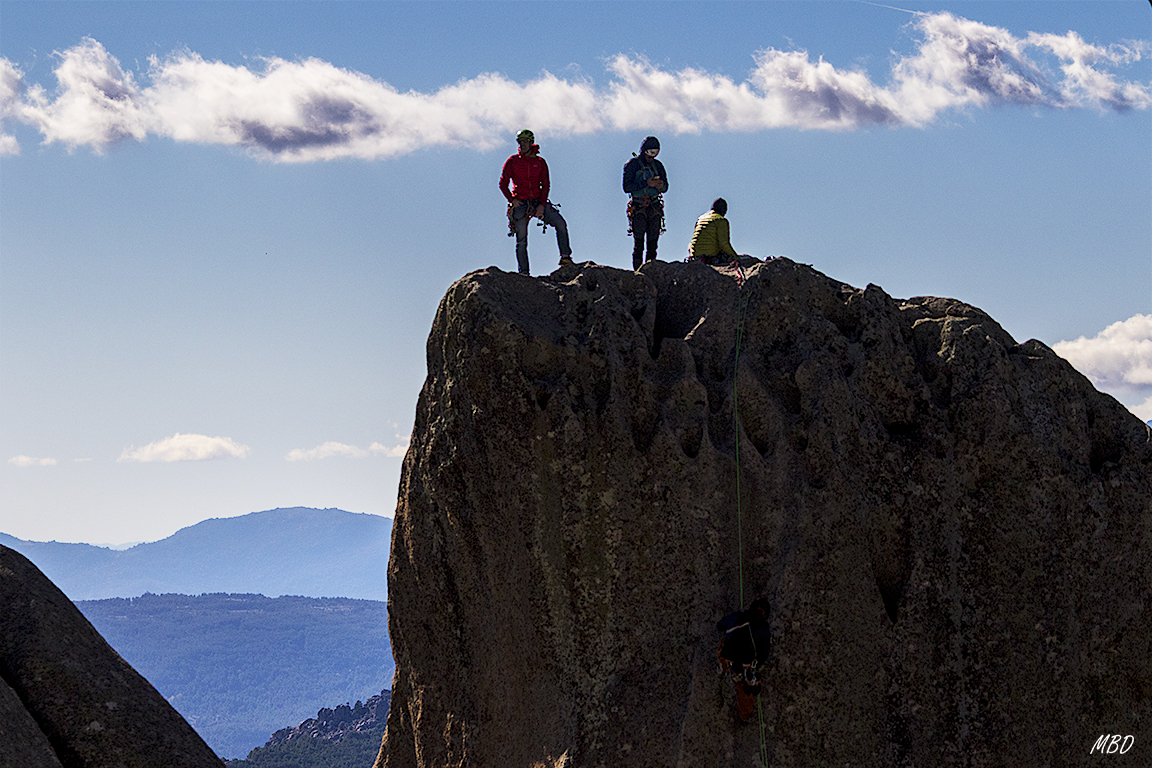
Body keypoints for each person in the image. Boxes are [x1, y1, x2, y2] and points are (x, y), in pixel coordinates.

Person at [499, 129, 573, 275]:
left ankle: (565, 257)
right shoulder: (513, 161)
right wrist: (512, 200)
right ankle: (524, 273)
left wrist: (542, 205)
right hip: (520, 202)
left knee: (560, 223)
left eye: (525, 141)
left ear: (531, 142)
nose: (522, 144)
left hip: (538, 201)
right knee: (521, 239)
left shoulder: (539, 162)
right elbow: (503, 183)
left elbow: (546, 185)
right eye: (520, 142)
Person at [717, 598, 771, 722]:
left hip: (729, 656)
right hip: (746, 663)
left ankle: (723, 668)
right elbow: (764, 653)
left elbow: (720, 626)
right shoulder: (764, 628)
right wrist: (756, 667)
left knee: (722, 647)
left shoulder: (738, 616)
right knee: (745, 684)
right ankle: (746, 715)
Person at [622, 136, 668, 269]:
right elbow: (627, 187)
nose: (652, 156)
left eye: (655, 153)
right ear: (644, 151)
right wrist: (645, 184)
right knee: (639, 243)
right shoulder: (632, 165)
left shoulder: (658, 166)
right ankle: (637, 272)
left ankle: (650, 271)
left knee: (653, 243)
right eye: (650, 152)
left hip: (654, 206)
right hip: (638, 206)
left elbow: (666, 188)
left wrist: (660, 185)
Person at [688, 198, 740, 266]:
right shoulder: (721, 221)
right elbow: (723, 244)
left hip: (695, 257)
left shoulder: (701, 218)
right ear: (724, 210)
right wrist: (736, 257)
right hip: (709, 258)